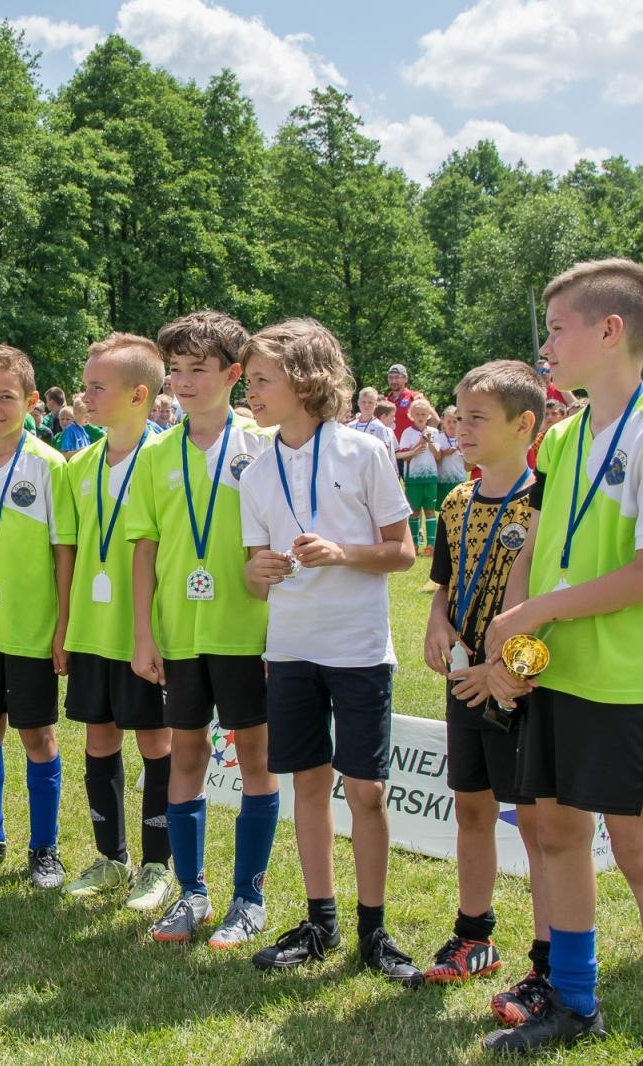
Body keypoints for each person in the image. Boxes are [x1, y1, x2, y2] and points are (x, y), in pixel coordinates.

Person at [482, 260, 643, 1064]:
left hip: (621, 676)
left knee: (640, 852)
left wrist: (535, 613)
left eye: (556, 329)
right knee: (556, 833)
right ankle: (574, 1005)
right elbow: (538, 545)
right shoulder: (565, 435)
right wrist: (514, 639)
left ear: (611, 331)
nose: (544, 347)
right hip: (555, 667)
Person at [237, 319, 421, 981]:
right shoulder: (256, 472)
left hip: (358, 649)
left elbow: (404, 552)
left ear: (306, 381)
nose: (250, 391)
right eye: (249, 380)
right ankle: (321, 921)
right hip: (290, 651)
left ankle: (374, 932)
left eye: (262, 379)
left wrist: (343, 553)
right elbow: (254, 572)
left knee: (366, 790)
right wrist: (257, 572)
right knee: (308, 786)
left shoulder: (364, 451)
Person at [128, 310, 277, 949]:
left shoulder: (265, 444)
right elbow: (143, 550)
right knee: (186, 755)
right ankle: (191, 893)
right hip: (180, 635)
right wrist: (143, 635)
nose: (184, 382)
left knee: (256, 760)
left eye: (199, 369)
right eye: (176, 370)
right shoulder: (155, 451)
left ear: (234, 374)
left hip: (249, 634)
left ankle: (249, 898)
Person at [420, 361, 553, 1017]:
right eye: (458, 415)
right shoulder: (456, 502)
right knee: (471, 809)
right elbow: (446, 583)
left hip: (519, 685)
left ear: (524, 425)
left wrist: (506, 670)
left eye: (477, 418)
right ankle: (474, 936)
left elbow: (552, 602)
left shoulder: (548, 503)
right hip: (464, 681)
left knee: (536, 824)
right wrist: (436, 620)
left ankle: (550, 958)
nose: (461, 428)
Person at [0, 345, 77, 889]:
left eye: (5, 397)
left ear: (30, 400)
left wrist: (63, 625)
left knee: (36, 735)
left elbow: (64, 551)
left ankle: (44, 848)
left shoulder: (49, 465)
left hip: (31, 626)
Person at [60, 334, 177, 910]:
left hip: (146, 632)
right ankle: (111, 858)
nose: (85, 396)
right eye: (85, 385)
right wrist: (64, 627)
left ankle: (158, 865)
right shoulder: (78, 464)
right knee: (99, 735)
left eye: (96, 387)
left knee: (155, 740)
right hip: (91, 629)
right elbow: (69, 551)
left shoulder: (167, 458)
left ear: (138, 395)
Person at [398, 400, 441, 555]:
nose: (420, 417)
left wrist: (430, 443)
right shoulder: (407, 432)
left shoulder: (434, 432)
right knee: (414, 512)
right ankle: (414, 545)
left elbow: (438, 456)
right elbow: (405, 456)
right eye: (417, 414)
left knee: (430, 511)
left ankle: (431, 546)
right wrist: (419, 442)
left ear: (428, 415)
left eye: (423, 414)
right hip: (413, 478)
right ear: (411, 415)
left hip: (430, 478)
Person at [384, 363, 423, 442]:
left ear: (405, 379)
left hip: (411, 447)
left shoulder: (414, 397)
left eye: (397, 377)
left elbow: (434, 419)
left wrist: (425, 440)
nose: (393, 381)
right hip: (390, 446)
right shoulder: (385, 401)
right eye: (390, 377)